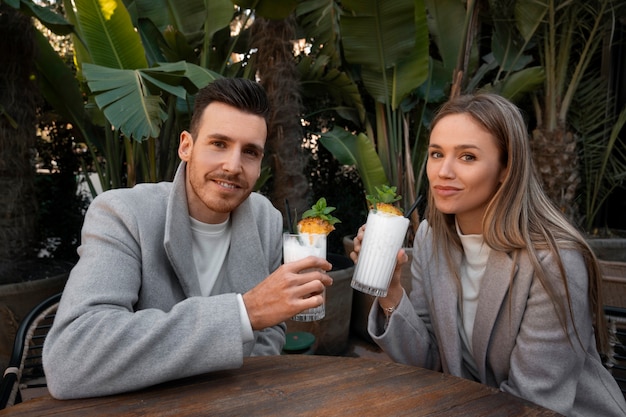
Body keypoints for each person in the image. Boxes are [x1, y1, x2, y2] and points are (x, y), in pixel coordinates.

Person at [43, 78, 332, 399]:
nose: (233, 166)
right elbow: (70, 360)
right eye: (219, 144)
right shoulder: (123, 214)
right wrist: (242, 314)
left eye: (250, 152)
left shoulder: (265, 217)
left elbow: (271, 331)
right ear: (186, 146)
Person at [351, 93, 626, 416]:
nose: (444, 171)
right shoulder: (430, 237)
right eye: (437, 154)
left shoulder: (551, 261)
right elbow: (428, 364)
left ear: (505, 169)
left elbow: (532, 402)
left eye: (467, 157)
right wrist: (391, 291)